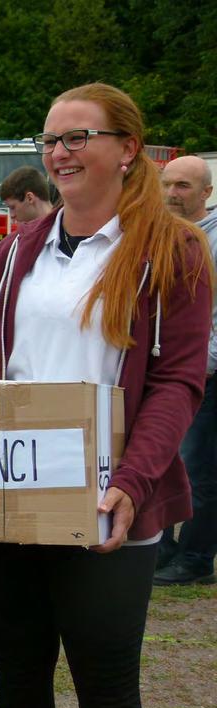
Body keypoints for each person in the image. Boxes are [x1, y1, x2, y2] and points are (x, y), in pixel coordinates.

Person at [0, 83, 212, 708]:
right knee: (19, 678)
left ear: (127, 149)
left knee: (107, 687)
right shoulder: (16, 250)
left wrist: (133, 480)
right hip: (10, 491)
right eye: (51, 140)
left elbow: (178, 381)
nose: (59, 153)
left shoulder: (173, 251)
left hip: (107, 498)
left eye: (77, 137)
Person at [154, 155, 217, 585]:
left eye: (184, 187)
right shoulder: (160, 232)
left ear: (206, 194)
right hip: (169, 371)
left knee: (199, 467)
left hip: (206, 373)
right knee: (162, 460)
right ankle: (163, 549)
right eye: (168, 184)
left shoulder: (210, 238)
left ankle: (196, 557)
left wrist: (206, 364)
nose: (173, 194)